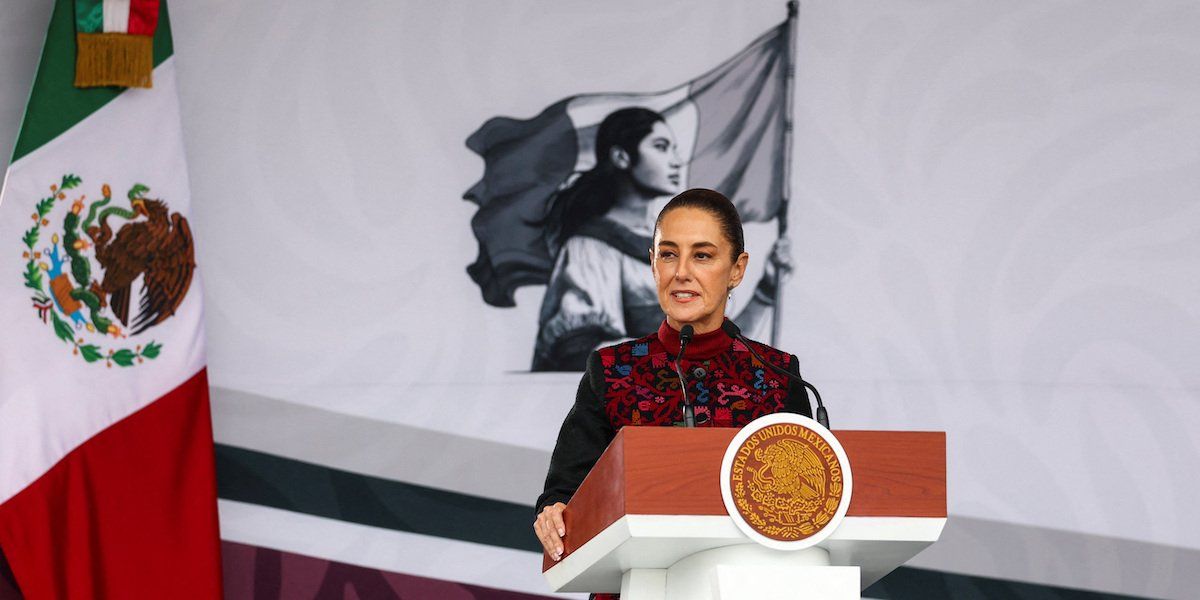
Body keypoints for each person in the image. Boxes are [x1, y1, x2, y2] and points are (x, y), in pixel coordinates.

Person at [532, 189, 814, 574]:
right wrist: (554, 514)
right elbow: (564, 495)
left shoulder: (778, 376)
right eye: (668, 254)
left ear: (737, 268)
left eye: (702, 255)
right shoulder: (612, 370)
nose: (681, 272)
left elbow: (809, 502)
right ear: (653, 263)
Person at [531, 108, 791, 371]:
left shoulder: (672, 242)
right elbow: (579, 354)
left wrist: (766, 291)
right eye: (661, 147)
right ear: (622, 157)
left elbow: (721, 359)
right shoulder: (590, 247)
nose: (676, 161)